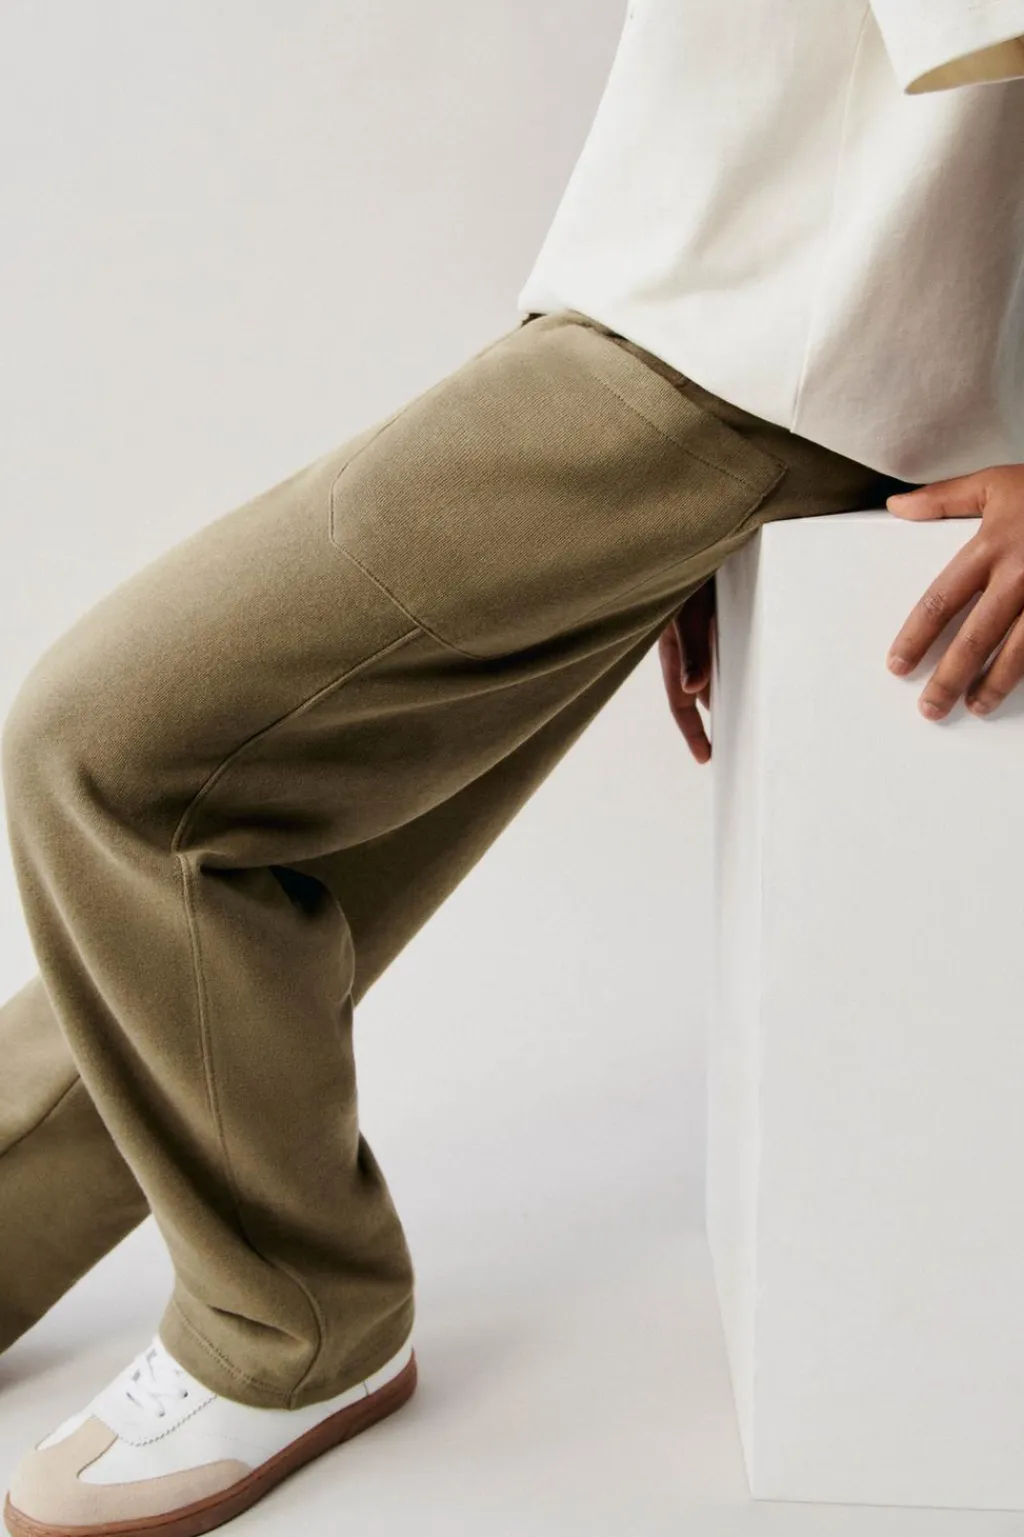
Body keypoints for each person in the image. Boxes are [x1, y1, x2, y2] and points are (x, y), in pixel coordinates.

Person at [2, 2, 1023, 1532]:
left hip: (738, 358)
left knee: (105, 752)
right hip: (694, 333)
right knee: (243, 843)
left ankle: (297, 1325)